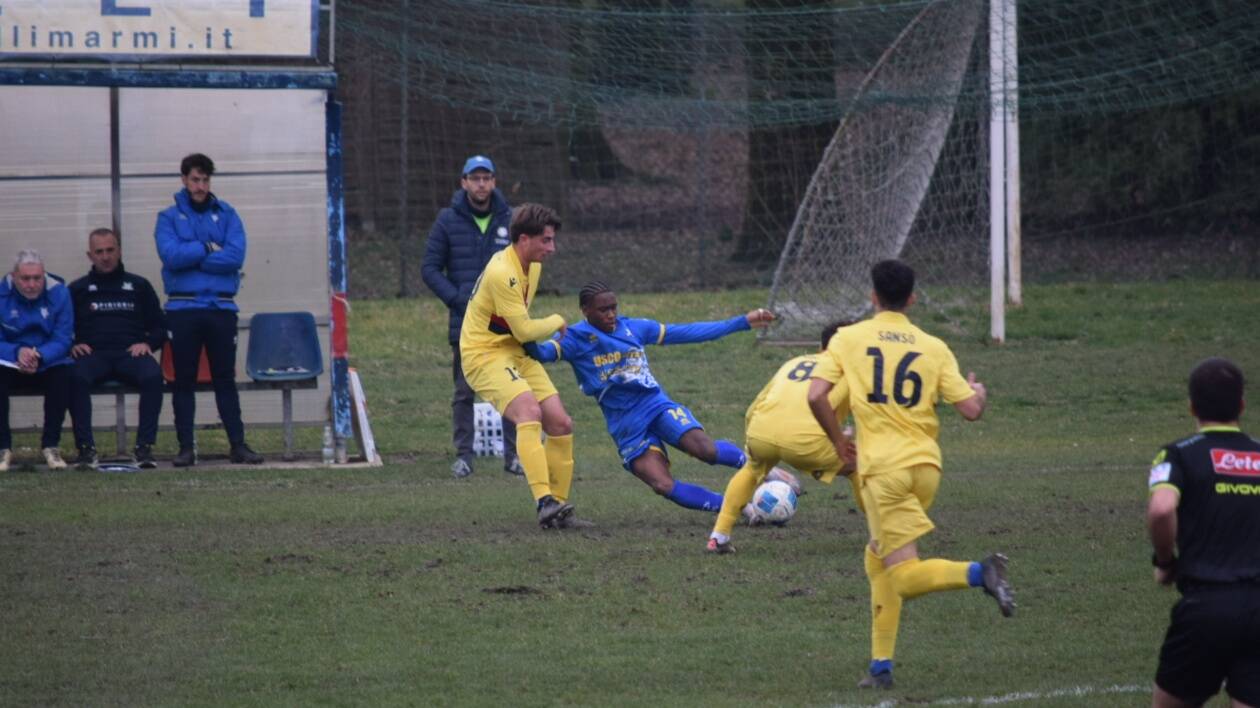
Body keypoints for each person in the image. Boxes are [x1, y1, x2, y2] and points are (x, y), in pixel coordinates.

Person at [807, 258, 1013, 689]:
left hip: (885, 470)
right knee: (877, 558)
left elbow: (816, 396)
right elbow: (972, 410)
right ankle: (881, 667)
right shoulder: (933, 346)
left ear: (873, 296)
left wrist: (838, 443)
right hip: (926, 468)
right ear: (913, 299)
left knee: (901, 574)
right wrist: (979, 391)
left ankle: (981, 573)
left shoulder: (848, 338)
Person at [526, 281, 774, 515]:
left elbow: (688, 332)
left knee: (705, 450)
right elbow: (542, 353)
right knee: (663, 485)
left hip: (655, 405)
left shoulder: (633, 327)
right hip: (626, 426)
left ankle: (765, 471)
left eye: (613, 308)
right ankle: (737, 507)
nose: (611, 314)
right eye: (603, 310)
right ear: (585, 310)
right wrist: (525, 332)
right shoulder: (574, 339)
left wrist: (743, 322)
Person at [1147, 357, 1260, 708]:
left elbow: (1162, 508)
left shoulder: (1178, 455)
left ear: (1192, 406)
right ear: (1242, 405)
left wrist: (1165, 561)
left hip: (1204, 607)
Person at [459, 203, 574, 528]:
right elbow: (524, 327)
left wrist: (534, 349)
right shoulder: (502, 272)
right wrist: (556, 321)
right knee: (529, 413)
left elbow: (518, 330)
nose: (552, 248)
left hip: (514, 351)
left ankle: (560, 510)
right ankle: (544, 502)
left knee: (561, 423)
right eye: (546, 241)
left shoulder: (532, 265)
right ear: (524, 239)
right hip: (483, 355)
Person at [705, 320, 858, 554]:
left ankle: (719, 536)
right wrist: (845, 436)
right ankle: (887, 537)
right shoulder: (850, 372)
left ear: (822, 346)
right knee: (858, 466)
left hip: (761, 432)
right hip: (804, 443)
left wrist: (752, 444)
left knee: (751, 470)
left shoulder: (794, 362)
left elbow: (754, 407)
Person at [154, 153, 263, 466]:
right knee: (183, 379)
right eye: (194, 179)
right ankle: (186, 448)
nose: (200, 186)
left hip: (221, 307)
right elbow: (170, 256)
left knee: (224, 378)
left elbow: (234, 257)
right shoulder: (168, 217)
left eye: (204, 180)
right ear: (184, 180)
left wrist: (195, 257)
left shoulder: (228, 214)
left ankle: (238, 445)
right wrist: (206, 247)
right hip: (183, 308)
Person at [422, 155, 523, 479]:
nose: (481, 184)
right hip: (465, 322)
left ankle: (515, 457)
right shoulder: (447, 220)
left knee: (510, 386)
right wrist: (457, 299)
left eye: (486, 177)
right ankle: (464, 456)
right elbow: (429, 268)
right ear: (463, 182)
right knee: (465, 391)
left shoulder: (512, 218)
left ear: (494, 182)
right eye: (474, 178)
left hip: (505, 322)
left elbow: (526, 264)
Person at [68, 228, 166, 469]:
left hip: (130, 354)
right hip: (93, 355)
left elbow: (161, 327)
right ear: (89, 255)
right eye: (99, 251)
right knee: (73, 377)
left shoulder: (139, 285)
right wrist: (72, 345)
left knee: (154, 376)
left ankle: (144, 448)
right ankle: (86, 450)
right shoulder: (77, 289)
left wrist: (148, 344)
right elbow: (59, 327)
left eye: (110, 250)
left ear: (119, 251)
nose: (105, 256)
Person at [0, 250, 74, 471]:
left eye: (37, 278)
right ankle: (2, 447)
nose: (31, 284)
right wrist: (17, 352)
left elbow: (63, 338)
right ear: (14, 277)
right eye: (25, 278)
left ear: (44, 275)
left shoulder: (60, 293)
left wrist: (39, 355)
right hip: (10, 362)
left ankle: (51, 445)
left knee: (65, 375)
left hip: (46, 361)